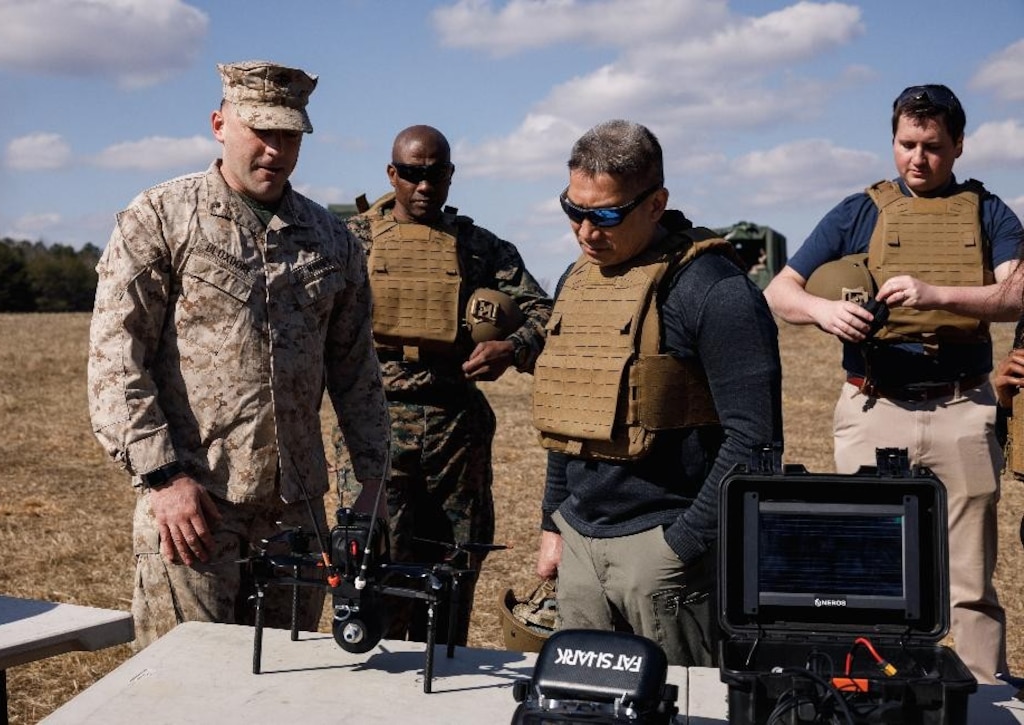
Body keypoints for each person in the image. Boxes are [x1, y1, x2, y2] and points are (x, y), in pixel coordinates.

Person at [87, 60, 390, 649]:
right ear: (219, 124)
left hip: (295, 517)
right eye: (262, 132)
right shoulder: (161, 218)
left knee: (285, 684)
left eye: (290, 135)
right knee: (183, 685)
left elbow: (357, 373)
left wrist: (373, 479)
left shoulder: (333, 240)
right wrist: (163, 479)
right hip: (195, 507)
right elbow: (115, 361)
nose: (275, 150)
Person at [764, 84, 1024, 684]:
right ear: (892, 141)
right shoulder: (858, 210)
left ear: (958, 145)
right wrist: (824, 313)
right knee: (866, 570)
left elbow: (1016, 294)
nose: (918, 158)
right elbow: (782, 289)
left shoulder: (989, 212)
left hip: (962, 406)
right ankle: (872, 689)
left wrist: (940, 295)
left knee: (970, 579)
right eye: (907, 144)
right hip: (872, 405)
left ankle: (980, 695)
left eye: (932, 146)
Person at [532, 119, 783, 666]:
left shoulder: (716, 290)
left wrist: (681, 547)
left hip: (663, 555)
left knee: (684, 707)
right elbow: (566, 412)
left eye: (606, 215)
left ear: (656, 202)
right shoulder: (575, 281)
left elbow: (756, 443)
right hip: (580, 544)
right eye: (573, 210)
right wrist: (554, 523)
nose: (585, 232)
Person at [334, 124, 553, 646]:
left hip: (457, 429)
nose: (423, 186)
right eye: (412, 174)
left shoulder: (478, 246)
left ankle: (444, 667)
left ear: (450, 176)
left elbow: (545, 313)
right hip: (375, 425)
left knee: (454, 565)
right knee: (369, 563)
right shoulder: (351, 240)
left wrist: (513, 347)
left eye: (435, 175)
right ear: (393, 173)